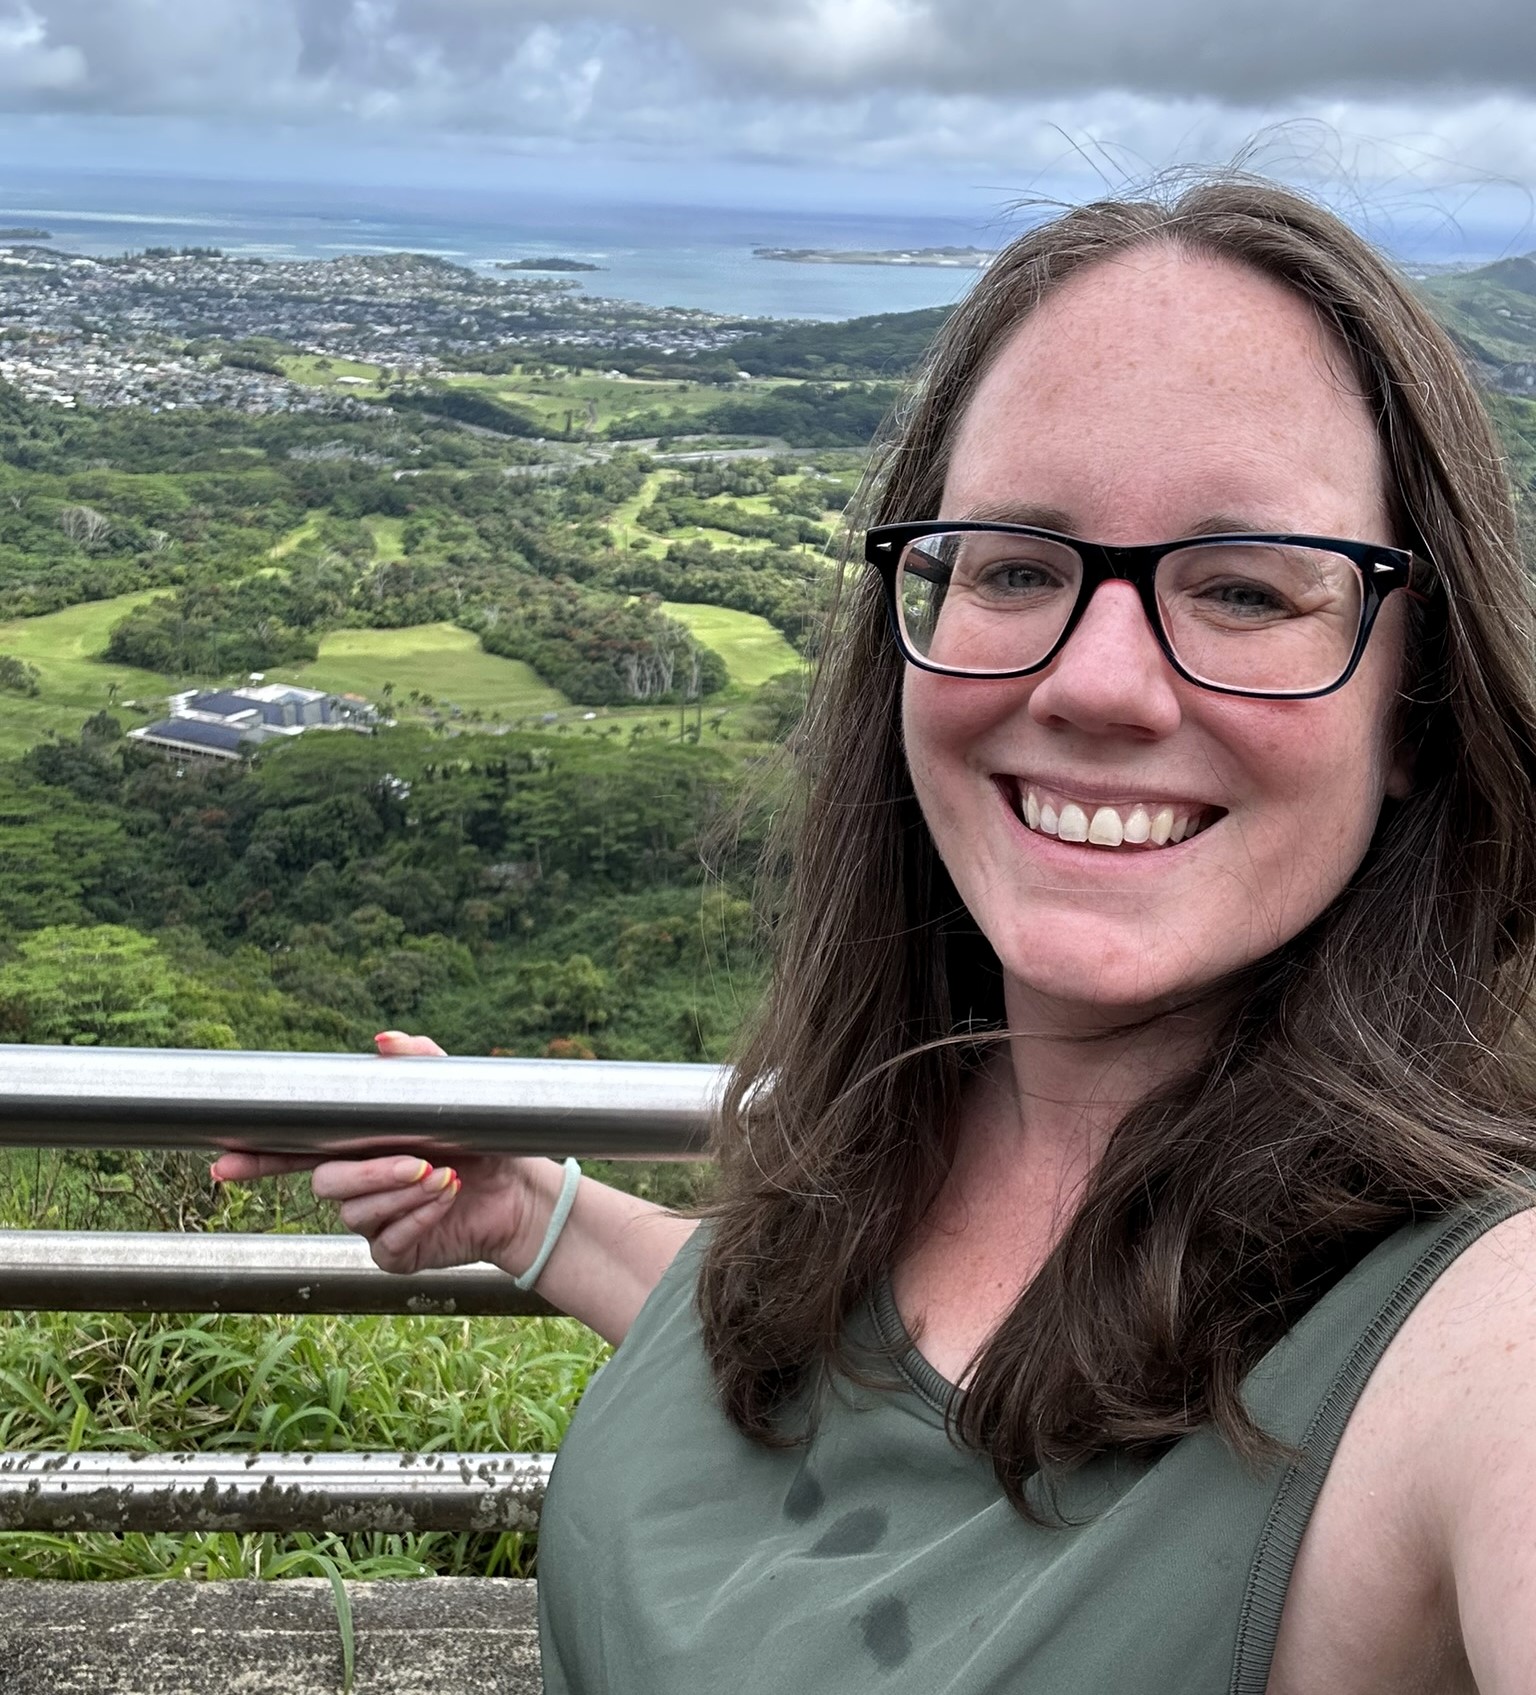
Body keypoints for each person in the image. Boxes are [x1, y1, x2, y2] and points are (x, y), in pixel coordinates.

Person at [214, 175, 1536, 1692]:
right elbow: (875, 1397)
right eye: (1019, 568)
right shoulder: (902, 1123)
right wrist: (538, 1217)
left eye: (1242, 590)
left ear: (1417, 703)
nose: (1101, 684)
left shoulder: (1481, 1339)